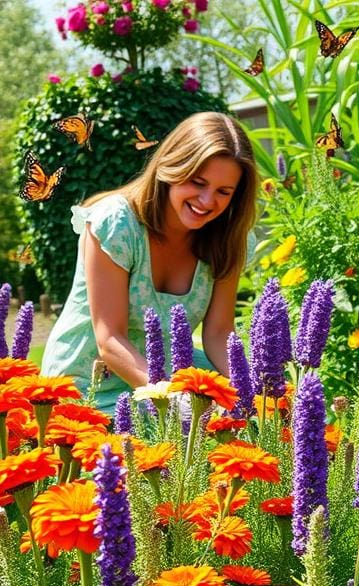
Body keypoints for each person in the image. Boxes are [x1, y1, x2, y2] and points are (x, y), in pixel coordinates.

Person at [41, 112, 258, 413]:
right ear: (172, 167)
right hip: (88, 387)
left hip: (165, 381)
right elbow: (110, 339)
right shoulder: (117, 225)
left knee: (246, 422)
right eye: (198, 182)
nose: (208, 201)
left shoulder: (229, 240)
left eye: (224, 192)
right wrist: (170, 398)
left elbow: (219, 333)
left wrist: (252, 395)